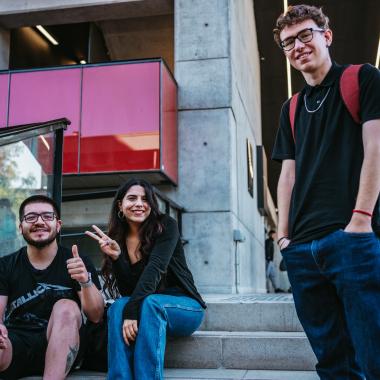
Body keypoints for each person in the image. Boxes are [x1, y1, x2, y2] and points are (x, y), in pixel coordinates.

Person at [272, 4, 380, 379]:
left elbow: (376, 149)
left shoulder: (362, 78)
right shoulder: (291, 107)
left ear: (326, 36)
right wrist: (283, 237)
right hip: (303, 251)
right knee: (332, 362)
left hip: (351, 240)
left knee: (374, 355)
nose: (298, 46)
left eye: (305, 35)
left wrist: (361, 220)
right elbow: (288, 174)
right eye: (288, 42)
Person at [86, 178, 206, 380]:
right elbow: (128, 292)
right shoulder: (119, 238)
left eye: (145, 199)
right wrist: (117, 258)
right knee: (117, 306)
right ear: (120, 205)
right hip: (148, 308)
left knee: (150, 303)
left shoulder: (166, 226)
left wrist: (132, 312)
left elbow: (155, 270)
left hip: (184, 308)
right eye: (132, 198)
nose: (139, 204)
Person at [0, 195, 104, 380]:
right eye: (31, 217)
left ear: (58, 225)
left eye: (47, 216)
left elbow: (96, 315)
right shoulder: (6, 265)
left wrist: (85, 281)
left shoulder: (77, 262)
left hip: (65, 343)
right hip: (16, 344)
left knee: (66, 306)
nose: (39, 222)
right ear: (20, 227)